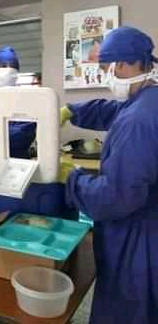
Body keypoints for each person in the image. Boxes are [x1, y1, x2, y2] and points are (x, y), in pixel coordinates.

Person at [59, 26, 158, 323]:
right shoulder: (147, 100)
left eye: (106, 68)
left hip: (138, 243)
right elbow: (113, 110)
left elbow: (117, 197)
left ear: (126, 64)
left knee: (125, 311)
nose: (105, 75)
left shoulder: (139, 122)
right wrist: (71, 111)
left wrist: (72, 178)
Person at [0, 46, 37, 159]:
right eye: (3, 66)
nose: (8, 69)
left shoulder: (25, 100)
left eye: (12, 66)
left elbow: (23, 135)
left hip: (17, 163)